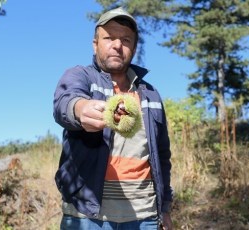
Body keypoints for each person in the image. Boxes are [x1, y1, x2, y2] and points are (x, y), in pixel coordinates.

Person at [53, 7, 173, 230]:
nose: (117, 45)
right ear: (95, 44)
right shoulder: (81, 76)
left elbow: (162, 155)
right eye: (109, 38)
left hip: (144, 215)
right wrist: (80, 109)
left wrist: (164, 209)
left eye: (126, 39)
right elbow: (64, 102)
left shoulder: (151, 94)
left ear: (134, 47)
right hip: (86, 215)